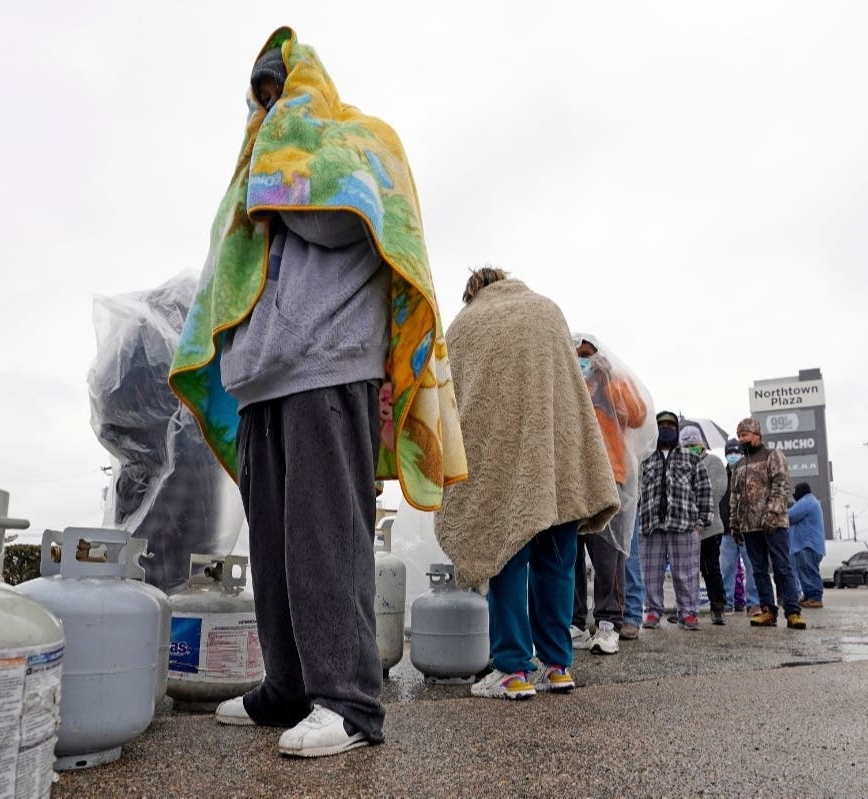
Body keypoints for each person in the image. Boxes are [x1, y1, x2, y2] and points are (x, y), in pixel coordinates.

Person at [168, 27, 467, 758]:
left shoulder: (358, 137)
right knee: (272, 541)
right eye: (260, 96)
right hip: (263, 375)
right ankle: (290, 685)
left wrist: (275, 174)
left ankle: (350, 701)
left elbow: (346, 222)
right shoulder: (262, 161)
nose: (268, 106)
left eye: (278, 90)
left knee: (324, 537)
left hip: (331, 364)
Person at [435, 269, 619, 700]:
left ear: (473, 291)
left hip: (501, 461)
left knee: (504, 556)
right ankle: (558, 667)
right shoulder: (548, 311)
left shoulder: (467, 324)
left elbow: (453, 393)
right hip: (556, 462)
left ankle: (513, 670)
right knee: (558, 561)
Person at [569, 333, 653, 652]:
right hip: (573, 482)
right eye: (577, 354)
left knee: (608, 555)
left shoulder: (610, 389)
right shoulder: (567, 387)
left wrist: (609, 378)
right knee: (570, 556)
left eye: (588, 354)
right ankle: (575, 624)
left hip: (608, 479)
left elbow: (639, 414)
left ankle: (608, 625)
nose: (582, 360)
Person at [639, 410, 713, 631]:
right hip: (651, 526)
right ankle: (652, 611)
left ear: (677, 430)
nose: (666, 429)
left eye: (671, 426)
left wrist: (702, 522)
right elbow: (635, 491)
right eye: (661, 425)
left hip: (684, 525)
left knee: (686, 573)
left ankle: (688, 613)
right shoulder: (644, 458)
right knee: (651, 574)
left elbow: (704, 489)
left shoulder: (690, 457)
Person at [729, 418, 805, 629]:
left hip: (774, 524)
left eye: (745, 435)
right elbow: (735, 497)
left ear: (757, 435)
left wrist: (773, 512)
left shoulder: (773, 456)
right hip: (750, 526)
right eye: (739, 435)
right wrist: (734, 523)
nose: (742, 439)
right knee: (758, 570)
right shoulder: (739, 465)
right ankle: (768, 611)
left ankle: (792, 612)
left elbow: (782, 484)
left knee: (782, 567)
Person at [679, 426, 728, 625]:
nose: (690, 449)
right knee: (686, 572)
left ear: (701, 444)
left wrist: (692, 504)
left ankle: (718, 607)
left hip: (709, 528)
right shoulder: (681, 465)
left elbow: (716, 491)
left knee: (710, 569)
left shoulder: (713, 462)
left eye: (693, 445)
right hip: (685, 528)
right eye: (686, 446)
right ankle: (688, 610)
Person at [719, 438, 760, 615]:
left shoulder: (750, 472)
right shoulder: (721, 474)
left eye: (736, 452)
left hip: (747, 529)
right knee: (725, 568)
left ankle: (753, 603)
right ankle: (726, 602)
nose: (732, 456)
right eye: (729, 453)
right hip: (726, 530)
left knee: (752, 567)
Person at [789, 482, 826, 608]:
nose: (794, 495)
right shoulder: (811, 501)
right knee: (806, 572)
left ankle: (815, 597)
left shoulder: (806, 502)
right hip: (809, 545)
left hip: (808, 546)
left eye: (795, 492)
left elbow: (790, 516)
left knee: (809, 572)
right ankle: (809, 596)